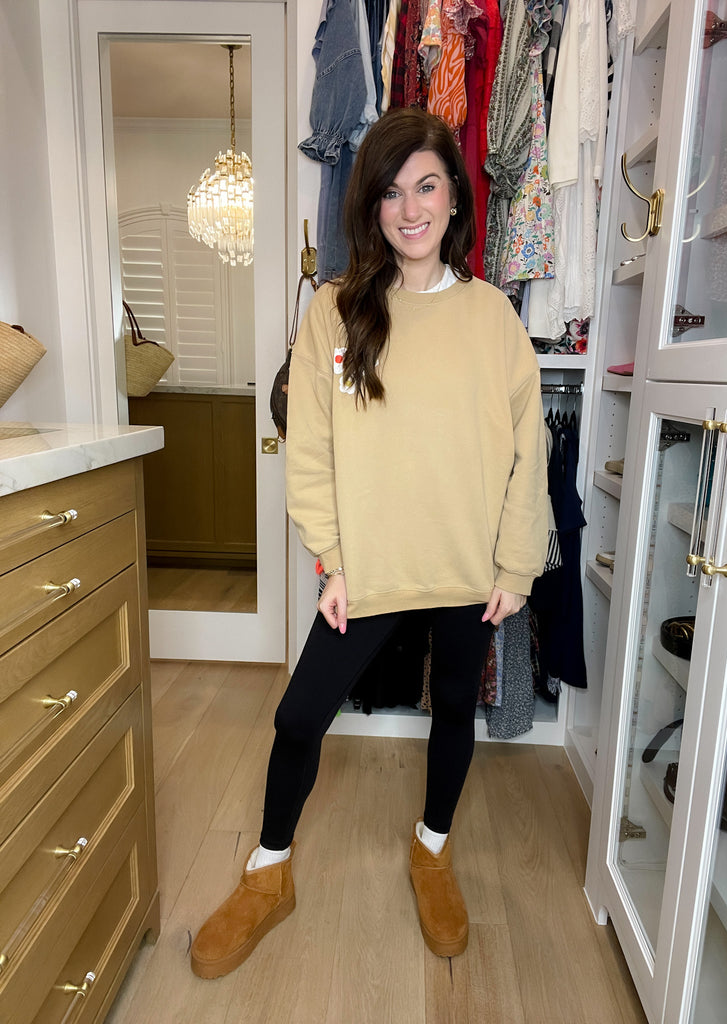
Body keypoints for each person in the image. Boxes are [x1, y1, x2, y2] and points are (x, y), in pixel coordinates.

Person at [190, 107, 548, 980]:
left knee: (454, 709)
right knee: (299, 716)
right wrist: (334, 558)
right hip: (370, 570)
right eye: (391, 191)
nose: (410, 208)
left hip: (467, 568)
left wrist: (516, 564)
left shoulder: (493, 316)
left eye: (427, 186)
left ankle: (433, 848)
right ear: (371, 205)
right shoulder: (335, 311)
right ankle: (269, 870)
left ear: (456, 197)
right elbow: (309, 448)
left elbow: (527, 449)